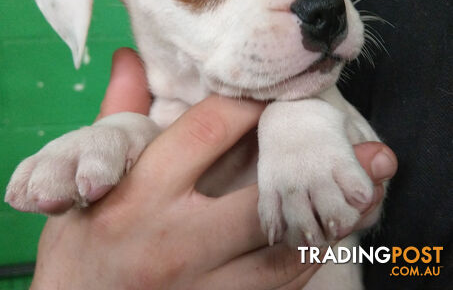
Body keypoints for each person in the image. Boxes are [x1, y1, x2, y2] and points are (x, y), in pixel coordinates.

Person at [30, 48, 397, 289]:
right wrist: (119, 131)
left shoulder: (309, 80)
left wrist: (301, 121)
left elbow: (362, 200)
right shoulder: (153, 117)